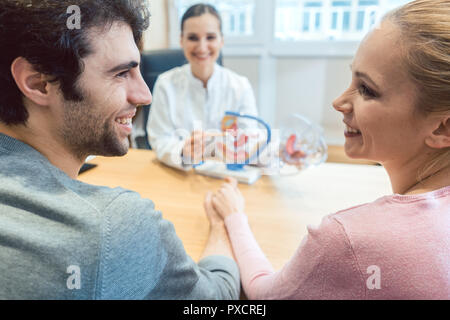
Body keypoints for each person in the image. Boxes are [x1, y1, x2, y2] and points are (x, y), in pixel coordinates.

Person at [204, 0, 450, 299]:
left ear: (441, 128)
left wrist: (233, 216)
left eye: (367, 90)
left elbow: (264, 297)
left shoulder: (347, 239)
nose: (338, 101)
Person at [0, 0, 240, 300]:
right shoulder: (113, 226)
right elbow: (217, 299)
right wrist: (222, 224)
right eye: (121, 73)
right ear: (39, 83)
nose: (144, 95)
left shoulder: (237, 84)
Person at [147, 3, 258, 170]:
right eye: (193, 38)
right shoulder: (165, 84)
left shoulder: (240, 86)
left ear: (222, 41)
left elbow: (251, 139)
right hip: (183, 176)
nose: (202, 47)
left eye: (210, 37)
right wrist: (182, 152)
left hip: (228, 174)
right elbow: (160, 139)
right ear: (181, 40)